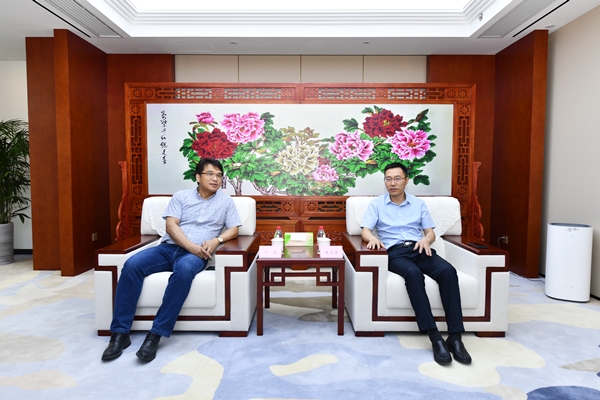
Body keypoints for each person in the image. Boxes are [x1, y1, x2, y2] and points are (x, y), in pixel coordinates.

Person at [101, 158, 241, 362]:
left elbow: (234, 229)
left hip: (195, 256)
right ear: (198, 177)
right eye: (210, 174)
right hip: (167, 249)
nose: (215, 179)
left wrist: (216, 240)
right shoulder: (181, 196)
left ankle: (155, 334)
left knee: (183, 271)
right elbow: (171, 226)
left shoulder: (226, 201)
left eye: (219, 175)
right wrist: (191, 246)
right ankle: (120, 334)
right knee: (132, 265)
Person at [360, 162, 472, 365]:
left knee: (447, 271)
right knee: (413, 274)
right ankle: (434, 336)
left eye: (397, 178)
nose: (392, 183)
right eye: (388, 179)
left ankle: (455, 337)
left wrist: (426, 240)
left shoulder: (418, 204)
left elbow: (430, 232)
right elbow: (365, 230)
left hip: (419, 248)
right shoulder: (377, 204)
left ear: (406, 180)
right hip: (395, 253)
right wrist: (372, 239)